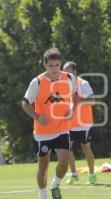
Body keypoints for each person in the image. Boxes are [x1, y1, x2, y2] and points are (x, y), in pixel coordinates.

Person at [22, 48, 76, 199]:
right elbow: (25, 104)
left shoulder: (70, 79)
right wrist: (38, 117)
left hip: (62, 129)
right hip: (43, 132)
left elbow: (75, 96)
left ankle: (56, 185)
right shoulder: (37, 82)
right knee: (43, 166)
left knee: (65, 161)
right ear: (45, 65)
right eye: (51, 65)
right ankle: (42, 194)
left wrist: (72, 109)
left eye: (57, 65)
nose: (54, 69)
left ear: (61, 64)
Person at [63, 61, 96, 185]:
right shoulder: (63, 85)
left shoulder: (83, 84)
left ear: (74, 71)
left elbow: (92, 101)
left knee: (86, 149)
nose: (65, 74)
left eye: (68, 71)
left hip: (83, 123)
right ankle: (74, 174)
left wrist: (78, 100)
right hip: (69, 123)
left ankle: (92, 175)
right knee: (67, 149)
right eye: (64, 71)